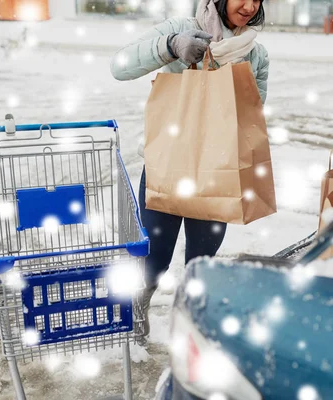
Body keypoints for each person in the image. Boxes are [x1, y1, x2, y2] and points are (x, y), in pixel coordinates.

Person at [110, 0, 270, 338]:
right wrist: (170, 47)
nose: (250, 5)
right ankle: (139, 309)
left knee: (201, 265)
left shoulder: (256, 54)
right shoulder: (179, 27)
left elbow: (252, 117)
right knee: (153, 260)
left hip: (218, 170)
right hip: (167, 164)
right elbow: (120, 66)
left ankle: (188, 329)